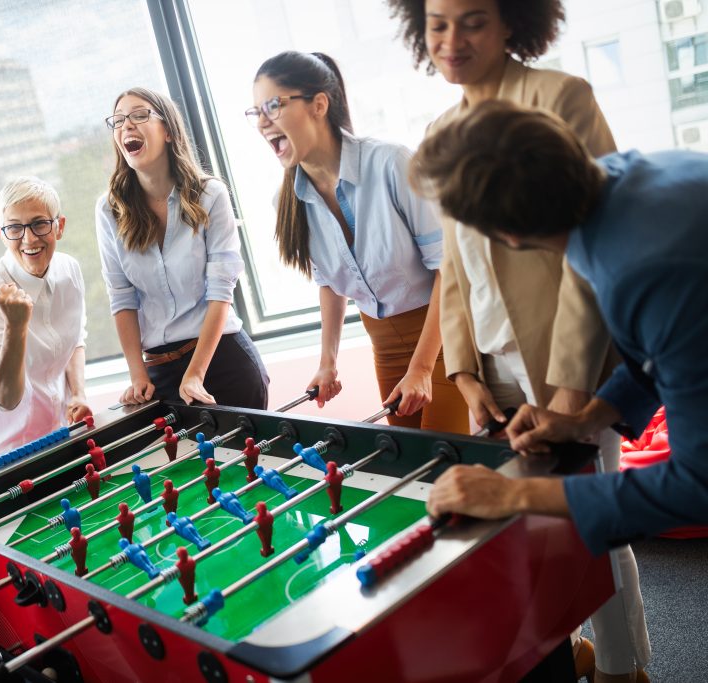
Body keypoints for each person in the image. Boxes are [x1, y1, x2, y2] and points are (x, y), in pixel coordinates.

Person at [387, 1, 649, 679]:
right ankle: (566, 655)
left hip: (569, 362)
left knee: (591, 525)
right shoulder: (441, 128)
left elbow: (592, 247)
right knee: (522, 536)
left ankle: (625, 668)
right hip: (493, 368)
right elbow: (455, 267)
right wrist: (465, 374)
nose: (451, 40)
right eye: (438, 23)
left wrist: (569, 391)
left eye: (473, 20)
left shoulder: (563, 95)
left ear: (513, 23)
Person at [411, 102, 689, 682]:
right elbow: (648, 358)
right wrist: (587, 415)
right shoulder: (617, 179)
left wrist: (514, 498)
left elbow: (696, 484)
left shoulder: (642, 267)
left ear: (507, 235)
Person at [250, 51, 467, 432]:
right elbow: (331, 283)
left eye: (273, 105)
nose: (263, 121)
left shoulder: (391, 163)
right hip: (384, 344)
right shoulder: (287, 201)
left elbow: (449, 272)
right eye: (256, 112)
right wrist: (327, 363)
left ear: (319, 105)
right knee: (405, 465)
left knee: (443, 463)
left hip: (445, 334)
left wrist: (421, 369)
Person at [95, 87, 269, 409]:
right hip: (158, 372)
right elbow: (121, 297)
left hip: (222, 360)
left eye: (139, 115)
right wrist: (137, 374)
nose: (126, 126)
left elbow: (220, 292)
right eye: (118, 121)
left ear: (169, 132)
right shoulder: (108, 210)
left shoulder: (211, 195)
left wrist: (195, 374)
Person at [0, 176, 91, 458]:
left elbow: (75, 340)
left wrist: (78, 394)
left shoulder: (70, 270)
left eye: (39, 223)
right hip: (4, 449)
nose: (29, 238)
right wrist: (16, 326)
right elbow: (5, 398)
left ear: (59, 226)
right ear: (1, 235)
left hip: (58, 431)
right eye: (14, 228)